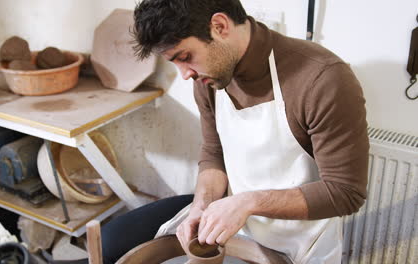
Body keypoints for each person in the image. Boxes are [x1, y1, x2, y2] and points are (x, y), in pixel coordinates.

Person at [100, 0, 369, 263]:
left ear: (220, 26)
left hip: (299, 237)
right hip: (230, 215)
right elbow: (213, 151)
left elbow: (345, 192)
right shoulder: (208, 77)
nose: (184, 75)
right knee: (109, 242)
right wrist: (202, 205)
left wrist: (247, 203)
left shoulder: (323, 79)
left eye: (185, 57)